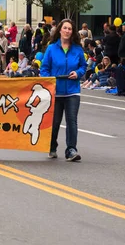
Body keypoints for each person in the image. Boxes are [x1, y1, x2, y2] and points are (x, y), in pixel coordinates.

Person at [40, 19, 87, 162]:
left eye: (70, 29)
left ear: (72, 32)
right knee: (55, 122)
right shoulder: (51, 48)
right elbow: (44, 69)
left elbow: (83, 67)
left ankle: (71, 150)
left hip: (72, 90)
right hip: (56, 91)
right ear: (60, 30)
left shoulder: (77, 49)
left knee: (72, 121)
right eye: (65, 28)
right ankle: (52, 146)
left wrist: (78, 73)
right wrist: (50, 80)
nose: (67, 31)